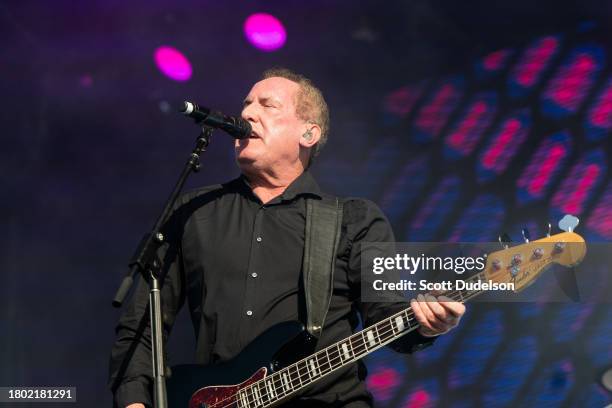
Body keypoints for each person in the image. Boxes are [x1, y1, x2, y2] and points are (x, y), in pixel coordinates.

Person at [108, 68, 466, 408]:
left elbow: (384, 316)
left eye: (267, 105)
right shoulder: (196, 211)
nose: (248, 113)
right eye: (246, 104)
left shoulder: (355, 219)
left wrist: (426, 324)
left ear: (308, 134)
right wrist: (135, 401)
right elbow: (142, 325)